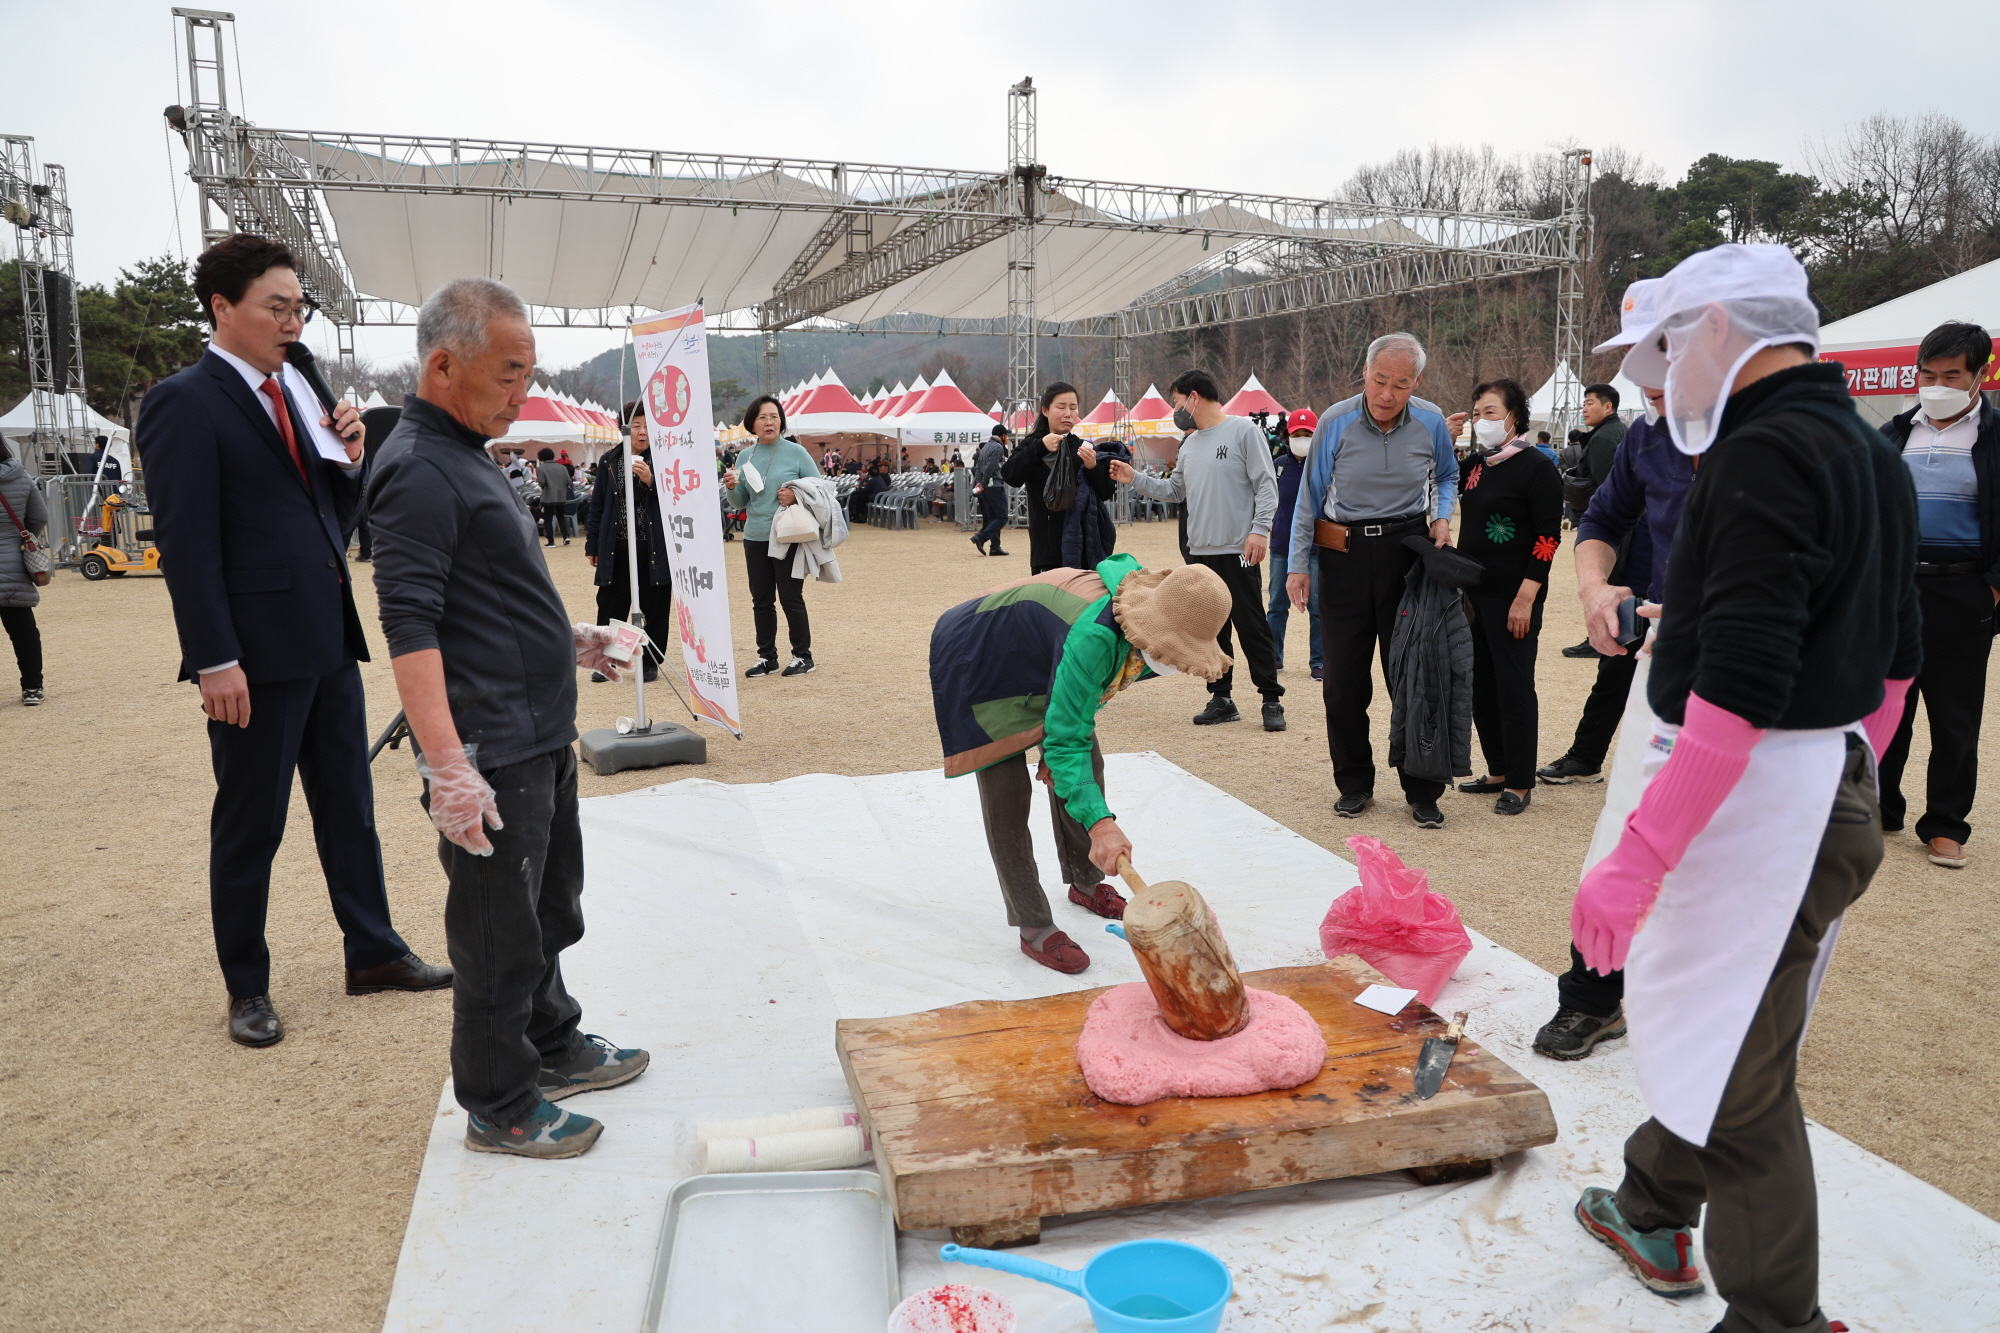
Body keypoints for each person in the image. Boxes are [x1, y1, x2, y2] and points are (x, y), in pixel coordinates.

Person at [1569, 243, 1918, 1333]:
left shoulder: (1763, 453)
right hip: (1815, 780)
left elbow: (1743, 679)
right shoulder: (1867, 452)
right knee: (1727, 1021)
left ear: (1717, 331)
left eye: (1666, 348)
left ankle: (1778, 1316)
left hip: (1760, 795)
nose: (1654, 379)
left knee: (1736, 1071)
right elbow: (1898, 657)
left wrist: (1638, 854)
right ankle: (1650, 1195)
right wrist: (1846, 768)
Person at [138, 232, 449, 1048]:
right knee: (251, 822)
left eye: (298, 307)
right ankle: (246, 985)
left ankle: (373, 951)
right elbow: (187, 540)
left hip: (323, 636)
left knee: (349, 808)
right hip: (251, 651)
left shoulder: (301, 390)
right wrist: (214, 657)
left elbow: (328, 524)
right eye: (277, 307)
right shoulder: (184, 400)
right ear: (222, 308)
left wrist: (350, 461)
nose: (293, 321)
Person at [369, 276, 649, 1161]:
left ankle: (553, 1040)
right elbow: (410, 626)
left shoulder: (466, 450)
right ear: (443, 364)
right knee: (495, 931)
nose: (522, 393)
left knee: (543, 907)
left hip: (537, 728)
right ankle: (498, 1099)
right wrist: (449, 766)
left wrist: (571, 639)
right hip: (490, 744)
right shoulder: (417, 466)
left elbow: (481, 600)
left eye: (529, 374)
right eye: (509, 374)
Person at [1531, 280, 1700, 1062]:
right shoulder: (1647, 436)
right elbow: (1600, 519)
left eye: (1669, 391)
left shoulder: (1786, 444)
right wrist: (1595, 586)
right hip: (1668, 667)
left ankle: (1709, 1003)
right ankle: (1594, 994)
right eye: (1648, 392)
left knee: (1730, 849)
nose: (1656, 405)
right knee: (1624, 824)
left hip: (1767, 683)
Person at [929, 554, 1233, 972]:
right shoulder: (1097, 634)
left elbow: (1090, 696)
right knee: (1007, 791)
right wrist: (1101, 824)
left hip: (1045, 655)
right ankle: (1033, 923)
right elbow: (1077, 700)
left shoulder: (1148, 618)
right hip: (983, 657)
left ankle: (1084, 880)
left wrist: (1061, 748)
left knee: (1085, 764)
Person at [1285, 332, 1459, 828]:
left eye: (1400, 385)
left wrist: (1443, 515)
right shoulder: (1334, 422)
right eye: (1380, 380)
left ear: (1416, 383)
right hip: (1344, 556)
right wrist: (1299, 565)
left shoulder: (1429, 421)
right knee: (1342, 683)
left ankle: (1422, 788)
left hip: (1408, 554)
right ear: (1365, 372)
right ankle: (1355, 783)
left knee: (1414, 675)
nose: (1387, 394)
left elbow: (1446, 476)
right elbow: (1309, 496)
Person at [1875, 321, 1998, 869]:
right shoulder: (1896, 432)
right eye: (1928, 373)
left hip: (1965, 590)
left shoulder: (1993, 437)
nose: (1937, 383)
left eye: (1952, 374)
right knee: (1885, 705)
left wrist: (1991, 589)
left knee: (1955, 714)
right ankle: (1878, 805)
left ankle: (1946, 825)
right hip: (1895, 587)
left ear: (1980, 376)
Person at [1110, 370, 1284, 732]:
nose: (1175, 409)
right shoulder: (1189, 443)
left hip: (1237, 548)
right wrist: (1135, 479)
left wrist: (1259, 531)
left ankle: (1270, 698)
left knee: (1251, 624)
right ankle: (1221, 697)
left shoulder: (1243, 431)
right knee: (1210, 629)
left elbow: (1266, 485)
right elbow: (1176, 491)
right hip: (1199, 552)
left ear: (1193, 397)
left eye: (1176, 401)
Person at [1442, 378, 1561, 815]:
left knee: (1513, 685)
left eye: (1490, 412)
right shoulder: (1475, 465)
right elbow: (1437, 490)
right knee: (1480, 685)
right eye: (1477, 413)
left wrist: (1527, 596)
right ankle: (1496, 769)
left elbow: (1548, 537)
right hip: (1472, 594)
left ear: (1515, 417)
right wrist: (1445, 439)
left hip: (1514, 596)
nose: (1481, 420)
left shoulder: (1538, 467)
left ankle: (1520, 780)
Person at [723, 395, 822, 677]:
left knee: (791, 597)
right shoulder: (745, 456)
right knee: (761, 599)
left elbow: (820, 488)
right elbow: (741, 502)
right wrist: (731, 486)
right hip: (755, 537)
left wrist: (795, 494)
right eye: (763, 417)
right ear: (752, 423)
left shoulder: (796, 452)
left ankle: (803, 656)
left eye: (775, 416)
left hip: (788, 535)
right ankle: (767, 657)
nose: (770, 422)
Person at [585, 406, 673, 683]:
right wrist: (593, 544)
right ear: (624, 428)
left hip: (653, 546)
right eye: (636, 425)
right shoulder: (610, 460)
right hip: (617, 545)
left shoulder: (665, 459)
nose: (642, 431)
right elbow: (597, 505)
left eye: (648, 425)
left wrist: (651, 480)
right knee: (612, 604)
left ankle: (648, 661)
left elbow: (677, 497)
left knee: (653, 605)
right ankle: (609, 659)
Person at [1001, 383, 1112, 574]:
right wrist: (1040, 447)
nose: (1068, 413)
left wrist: (1093, 467)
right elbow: (1010, 475)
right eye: (1061, 407)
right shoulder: (1033, 444)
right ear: (1045, 410)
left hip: (1083, 545)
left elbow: (1107, 492)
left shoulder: (1083, 448)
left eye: (1073, 407)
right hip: (1047, 547)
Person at [1559, 385, 1629, 656]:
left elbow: (1604, 487)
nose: (1584, 409)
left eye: (1589, 403)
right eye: (1583, 404)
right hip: (1621, 523)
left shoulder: (1602, 438)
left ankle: (1599, 638)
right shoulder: (1617, 431)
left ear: (1608, 406)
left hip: (1606, 523)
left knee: (1602, 581)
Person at [1266, 408, 1323, 681]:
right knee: (1276, 604)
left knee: (1319, 607)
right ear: (1287, 436)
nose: (1302, 439)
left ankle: (1320, 661)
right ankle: (1272, 657)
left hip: (1316, 548)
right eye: (1296, 434)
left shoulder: (1324, 465)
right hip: (1280, 547)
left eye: (1307, 434)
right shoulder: (1277, 466)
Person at [0, 436, 48, 706]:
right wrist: (23, 538)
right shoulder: (19, 476)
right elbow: (39, 517)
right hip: (12, 563)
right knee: (23, 630)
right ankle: (32, 688)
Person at [970, 424, 1011, 556]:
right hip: (994, 485)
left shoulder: (985, 447)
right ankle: (981, 537)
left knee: (993, 517)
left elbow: (977, 467)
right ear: (1002, 435)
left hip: (986, 487)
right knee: (1002, 516)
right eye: (1007, 435)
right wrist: (983, 482)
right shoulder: (998, 447)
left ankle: (995, 547)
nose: (1008, 438)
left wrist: (979, 483)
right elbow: (990, 467)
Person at [535, 446, 572, 545]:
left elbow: (542, 482)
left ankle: (551, 541)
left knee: (548, 518)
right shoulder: (562, 467)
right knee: (561, 516)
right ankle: (566, 536)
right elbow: (569, 481)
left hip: (548, 496)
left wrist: (541, 485)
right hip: (561, 495)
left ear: (541, 458)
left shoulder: (541, 468)